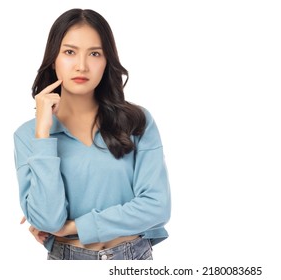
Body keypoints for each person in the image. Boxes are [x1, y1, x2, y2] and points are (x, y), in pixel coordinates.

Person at [13, 8, 171, 260]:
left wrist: (76, 227)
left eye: (94, 53)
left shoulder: (137, 122)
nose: (82, 66)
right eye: (69, 52)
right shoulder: (27, 135)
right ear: (54, 59)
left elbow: (156, 206)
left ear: (106, 60)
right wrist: (42, 135)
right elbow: (47, 219)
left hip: (133, 258)